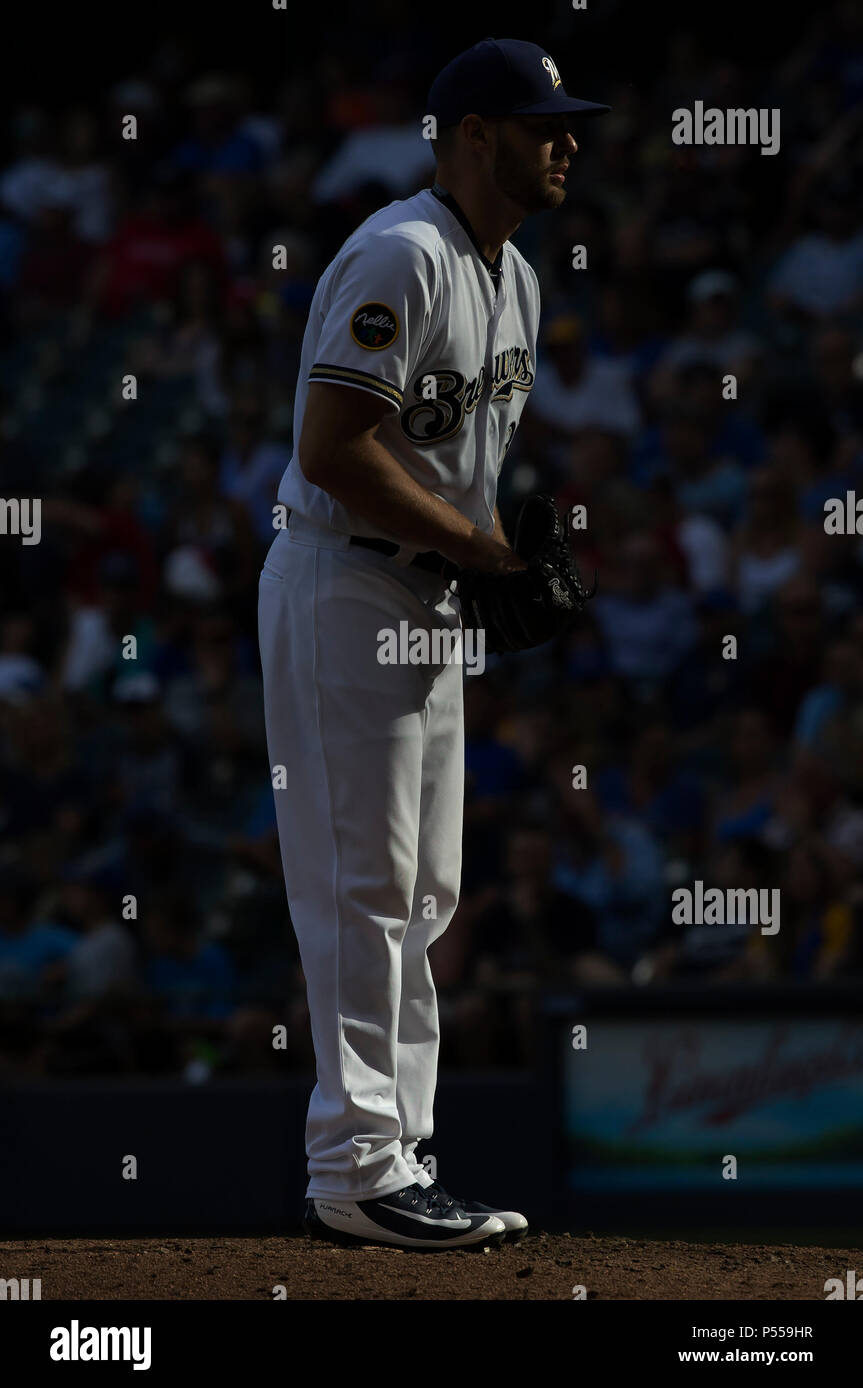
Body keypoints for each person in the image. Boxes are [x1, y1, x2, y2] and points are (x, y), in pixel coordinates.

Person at [257, 38, 608, 1249]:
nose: (565, 139)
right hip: (343, 582)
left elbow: (444, 462)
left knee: (424, 889)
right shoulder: (402, 252)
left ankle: (396, 1154)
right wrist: (484, 549)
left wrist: (484, 546)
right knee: (360, 880)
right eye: (541, 122)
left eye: (567, 122)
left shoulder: (512, 276)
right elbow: (332, 448)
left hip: (424, 596)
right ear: (471, 133)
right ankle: (352, 1163)